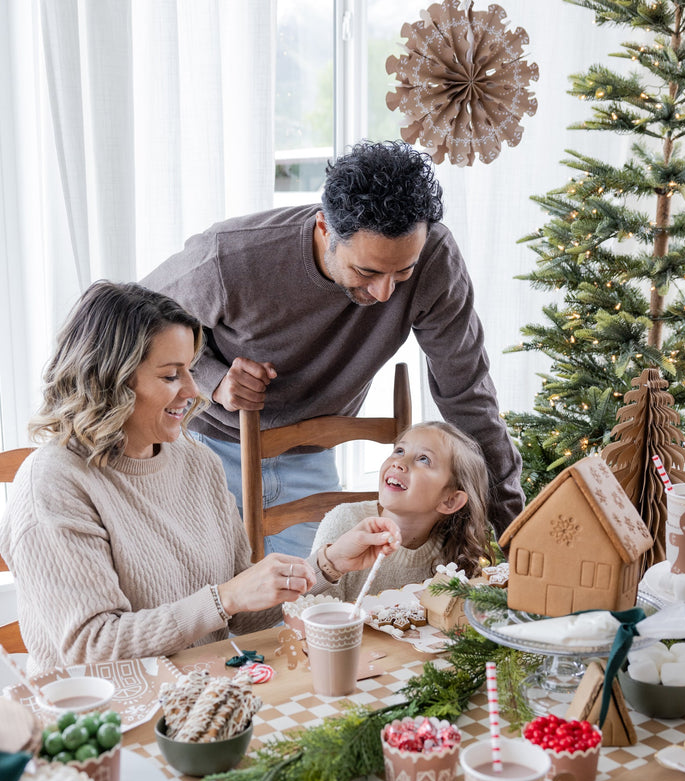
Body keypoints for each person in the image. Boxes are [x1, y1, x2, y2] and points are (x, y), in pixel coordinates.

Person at [141, 139, 524, 557]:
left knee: (317, 591)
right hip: (205, 448)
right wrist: (213, 380)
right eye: (367, 271)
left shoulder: (434, 258)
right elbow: (130, 327)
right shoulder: (230, 255)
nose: (384, 294)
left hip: (311, 453)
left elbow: (466, 391)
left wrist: (515, 535)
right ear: (325, 228)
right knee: (208, 588)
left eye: (403, 273)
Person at [0, 282, 400, 676]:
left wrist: (328, 563)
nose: (194, 390)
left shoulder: (197, 462)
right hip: (100, 709)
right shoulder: (54, 482)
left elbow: (244, 614)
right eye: (171, 376)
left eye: (190, 371)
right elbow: (90, 648)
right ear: (109, 381)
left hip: (202, 691)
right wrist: (224, 599)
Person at [309, 422, 494, 603]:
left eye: (424, 459)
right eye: (399, 451)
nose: (399, 463)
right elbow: (308, 610)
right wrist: (331, 564)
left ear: (450, 501)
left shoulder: (453, 556)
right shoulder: (344, 521)